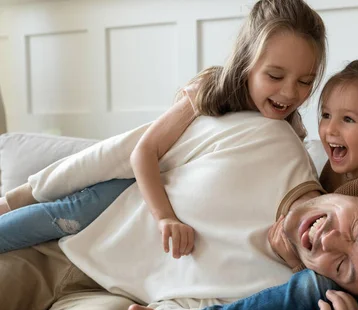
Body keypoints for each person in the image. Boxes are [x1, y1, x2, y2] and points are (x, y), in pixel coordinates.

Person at [122, 53, 358, 310]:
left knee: (314, 288)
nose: (330, 129)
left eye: (348, 120)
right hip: (345, 266)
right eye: (325, 115)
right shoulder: (334, 170)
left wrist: (308, 268)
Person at [0, 0, 326, 258]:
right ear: (246, 63)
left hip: (157, 212)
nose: (288, 93)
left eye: (304, 82)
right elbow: (144, 151)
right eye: (274, 76)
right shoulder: (209, 92)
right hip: (126, 188)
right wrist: (166, 218)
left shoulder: (288, 131)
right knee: (51, 214)